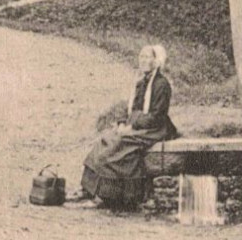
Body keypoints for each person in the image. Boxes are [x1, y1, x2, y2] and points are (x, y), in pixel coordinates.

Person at [71, 44, 178, 210]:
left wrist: (132, 125)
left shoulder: (162, 85)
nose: (142, 60)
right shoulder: (141, 82)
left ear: (156, 61)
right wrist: (122, 122)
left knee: (119, 143)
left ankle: (108, 195)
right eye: (141, 57)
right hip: (137, 124)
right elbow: (129, 108)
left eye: (147, 57)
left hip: (155, 129)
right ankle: (87, 189)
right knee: (105, 139)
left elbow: (157, 116)